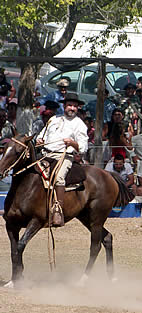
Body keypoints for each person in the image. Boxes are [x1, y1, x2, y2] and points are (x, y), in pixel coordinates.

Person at [36, 92, 88, 227]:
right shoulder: (53, 119)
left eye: (75, 106)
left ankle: (58, 210)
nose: (72, 108)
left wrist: (72, 143)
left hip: (64, 156)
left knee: (59, 177)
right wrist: (39, 140)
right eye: (70, 105)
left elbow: (83, 148)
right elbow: (41, 135)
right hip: (45, 154)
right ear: (64, 106)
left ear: (78, 108)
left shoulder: (79, 124)